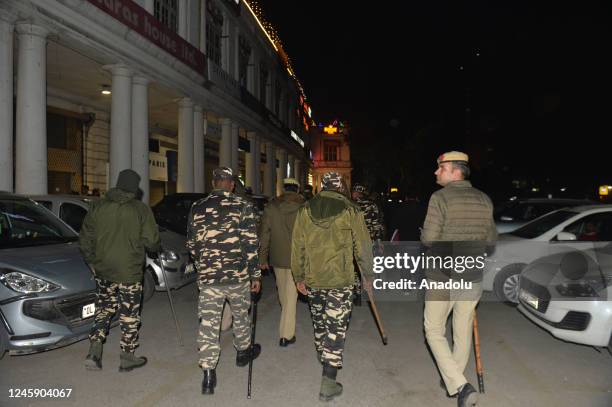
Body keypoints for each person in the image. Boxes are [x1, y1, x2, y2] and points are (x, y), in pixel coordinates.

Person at [421, 151, 497, 407]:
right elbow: (491, 240)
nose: (436, 172)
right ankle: (452, 377)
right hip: (472, 275)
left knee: (433, 330)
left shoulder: (440, 198)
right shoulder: (484, 199)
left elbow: (428, 239)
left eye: (440, 167)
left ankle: (460, 385)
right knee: (462, 330)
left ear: (455, 171)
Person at [291, 172, 373, 402]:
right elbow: (363, 246)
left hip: (313, 278)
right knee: (336, 328)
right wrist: (368, 274)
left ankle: (324, 355)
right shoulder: (351, 210)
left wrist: (298, 275)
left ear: (323, 186)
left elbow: (297, 246)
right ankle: (328, 382)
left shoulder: (305, 210)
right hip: (341, 280)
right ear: (340, 187)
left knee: (320, 323)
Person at [187, 167, 262, 395]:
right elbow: (251, 245)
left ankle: (208, 375)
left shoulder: (198, 207)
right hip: (237, 277)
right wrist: (255, 275)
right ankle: (242, 352)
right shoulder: (243, 207)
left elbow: (191, 245)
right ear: (231, 184)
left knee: (209, 325)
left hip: (210, 278)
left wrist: (203, 268)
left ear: (214, 182)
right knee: (241, 315)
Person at [79, 169, 161, 372]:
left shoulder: (97, 206)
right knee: (129, 313)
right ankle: (127, 357)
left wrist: (92, 261)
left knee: (103, 309)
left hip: (104, 270)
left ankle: (94, 352)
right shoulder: (140, 210)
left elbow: (85, 239)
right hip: (130, 272)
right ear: (135, 188)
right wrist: (154, 247)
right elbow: (151, 241)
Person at [259, 177, 305, 347]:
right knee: (290, 297)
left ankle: (286, 328)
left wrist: (262, 258)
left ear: (284, 189)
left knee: (284, 294)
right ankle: (286, 335)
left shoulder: (271, 207)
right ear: (297, 190)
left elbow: (264, 234)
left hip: (277, 258)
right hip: (297, 258)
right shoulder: (304, 207)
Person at [351, 183, 385, 305]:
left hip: (354, 240)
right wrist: (378, 240)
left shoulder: (351, 205)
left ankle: (357, 292)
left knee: (355, 266)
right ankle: (367, 290)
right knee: (367, 264)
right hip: (368, 240)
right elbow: (377, 224)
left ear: (356, 192)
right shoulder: (372, 205)